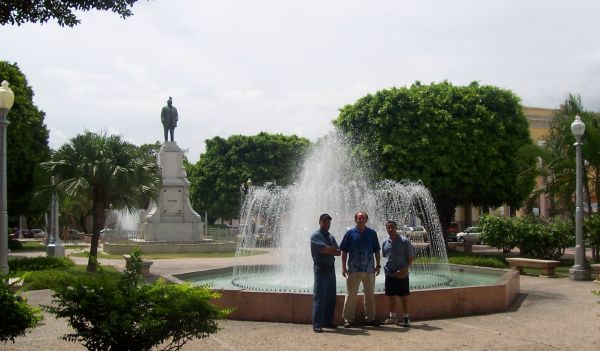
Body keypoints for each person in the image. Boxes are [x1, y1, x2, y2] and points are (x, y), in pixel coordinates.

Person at [340, 211, 381, 328]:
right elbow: (344, 251)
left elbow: (377, 250)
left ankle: (370, 318)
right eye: (359, 218)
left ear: (366, 220)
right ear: (355, 220)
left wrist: (378, 265)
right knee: (351, 295)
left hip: (369, 269)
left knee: (369, 295)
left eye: (363, 218)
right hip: (353, 269)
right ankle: (348, 319)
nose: (361, 220)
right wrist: (343, 266)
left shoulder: (372, 233)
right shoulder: (350, 233)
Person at [310, 213, 341, 333]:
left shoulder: (331, 236)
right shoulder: (315, 236)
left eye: (328, 222)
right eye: (324, 221)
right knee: (319, 296)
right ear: (320, 222)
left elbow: (338, 252)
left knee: (330, 297)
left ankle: (327, 321)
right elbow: (324, 249)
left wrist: (330, 249)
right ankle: (317, 324)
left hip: (330, 268)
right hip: (320, 268)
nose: (327, 224)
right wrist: (331, 249)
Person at [382, 220, 414, 327]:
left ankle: (406, 317)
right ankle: (393, 317)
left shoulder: (405, 241)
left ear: (396, 228)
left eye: (392, 227)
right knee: (391, 295)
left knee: (404, 296)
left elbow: (410, 258)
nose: (390, 230)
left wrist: (404, 270)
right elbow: (385, 257)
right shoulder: (385, 243)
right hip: (389, 273)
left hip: (402, 273)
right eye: (388, 228)